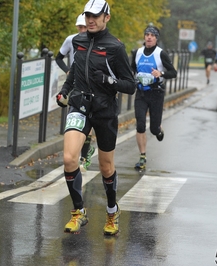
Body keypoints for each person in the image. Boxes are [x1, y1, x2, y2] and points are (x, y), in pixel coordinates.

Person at [56, 0, 135, 235]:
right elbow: (74, 72)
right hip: (80, 105)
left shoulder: (115, 47)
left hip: (104, 110)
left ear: (106, 18)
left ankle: (112, 212)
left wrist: (108, 81)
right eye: (87, 15)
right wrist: (65, 90)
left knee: (105, 166)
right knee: (70, 159)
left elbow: (130, 85)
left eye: (96, 16)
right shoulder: (77, 42)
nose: (90, 20)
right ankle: (79, 212)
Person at [131, 25, 177, 170]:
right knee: (140, 125)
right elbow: (131, 69)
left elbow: (173, 73)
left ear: (156, 38)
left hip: (156, 94)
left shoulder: (161, 54)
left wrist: (161, 74)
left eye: (152, 35)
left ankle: (158, 129)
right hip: (141, 93)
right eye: (147, 34)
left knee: (153, 129)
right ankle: (142, 157)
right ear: (144, 37)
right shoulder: (137, 52)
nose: (149, 37)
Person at [55, 14, 95, 172]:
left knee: (88, 122)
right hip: (74, 82)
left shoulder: (95, 41)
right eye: (80, 27)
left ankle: (84, 157)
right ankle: (78, 155)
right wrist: (68, 70)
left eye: (84, 27)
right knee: (77, 119)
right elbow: (58, 58)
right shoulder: (71, 40)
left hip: (90, 86)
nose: (82, 30)